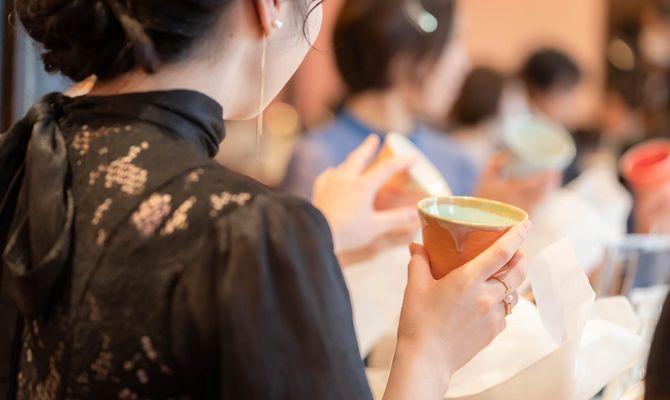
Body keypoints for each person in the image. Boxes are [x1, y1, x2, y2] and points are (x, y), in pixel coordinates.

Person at [0, 1, 529, 399]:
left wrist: (318, 240)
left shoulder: (24, 156)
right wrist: (429, 354)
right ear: (270, 5)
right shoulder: (250, 230)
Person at [280, 0, 477, 200]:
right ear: (404, 50)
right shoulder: (317, 161)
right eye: (453, 40)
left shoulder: (458, 163)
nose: (464, 64)